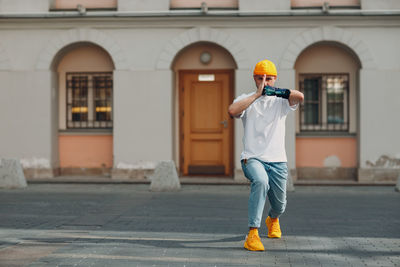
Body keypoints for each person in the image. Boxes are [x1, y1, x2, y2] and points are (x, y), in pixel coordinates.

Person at [228, 59, 304, 251]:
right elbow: (232, 111)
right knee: (260, 181)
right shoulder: (246, 99)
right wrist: (256, 95)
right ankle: (252, 234)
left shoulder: (281, 101)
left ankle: (273, 219)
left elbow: (300, 97)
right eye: (260, 78)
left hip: (277, 160)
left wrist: (278, 92)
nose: (265, 82)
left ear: (275, 78)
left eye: (269, 78)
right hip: (252, 157)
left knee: (280, 205)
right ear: (254, 78)